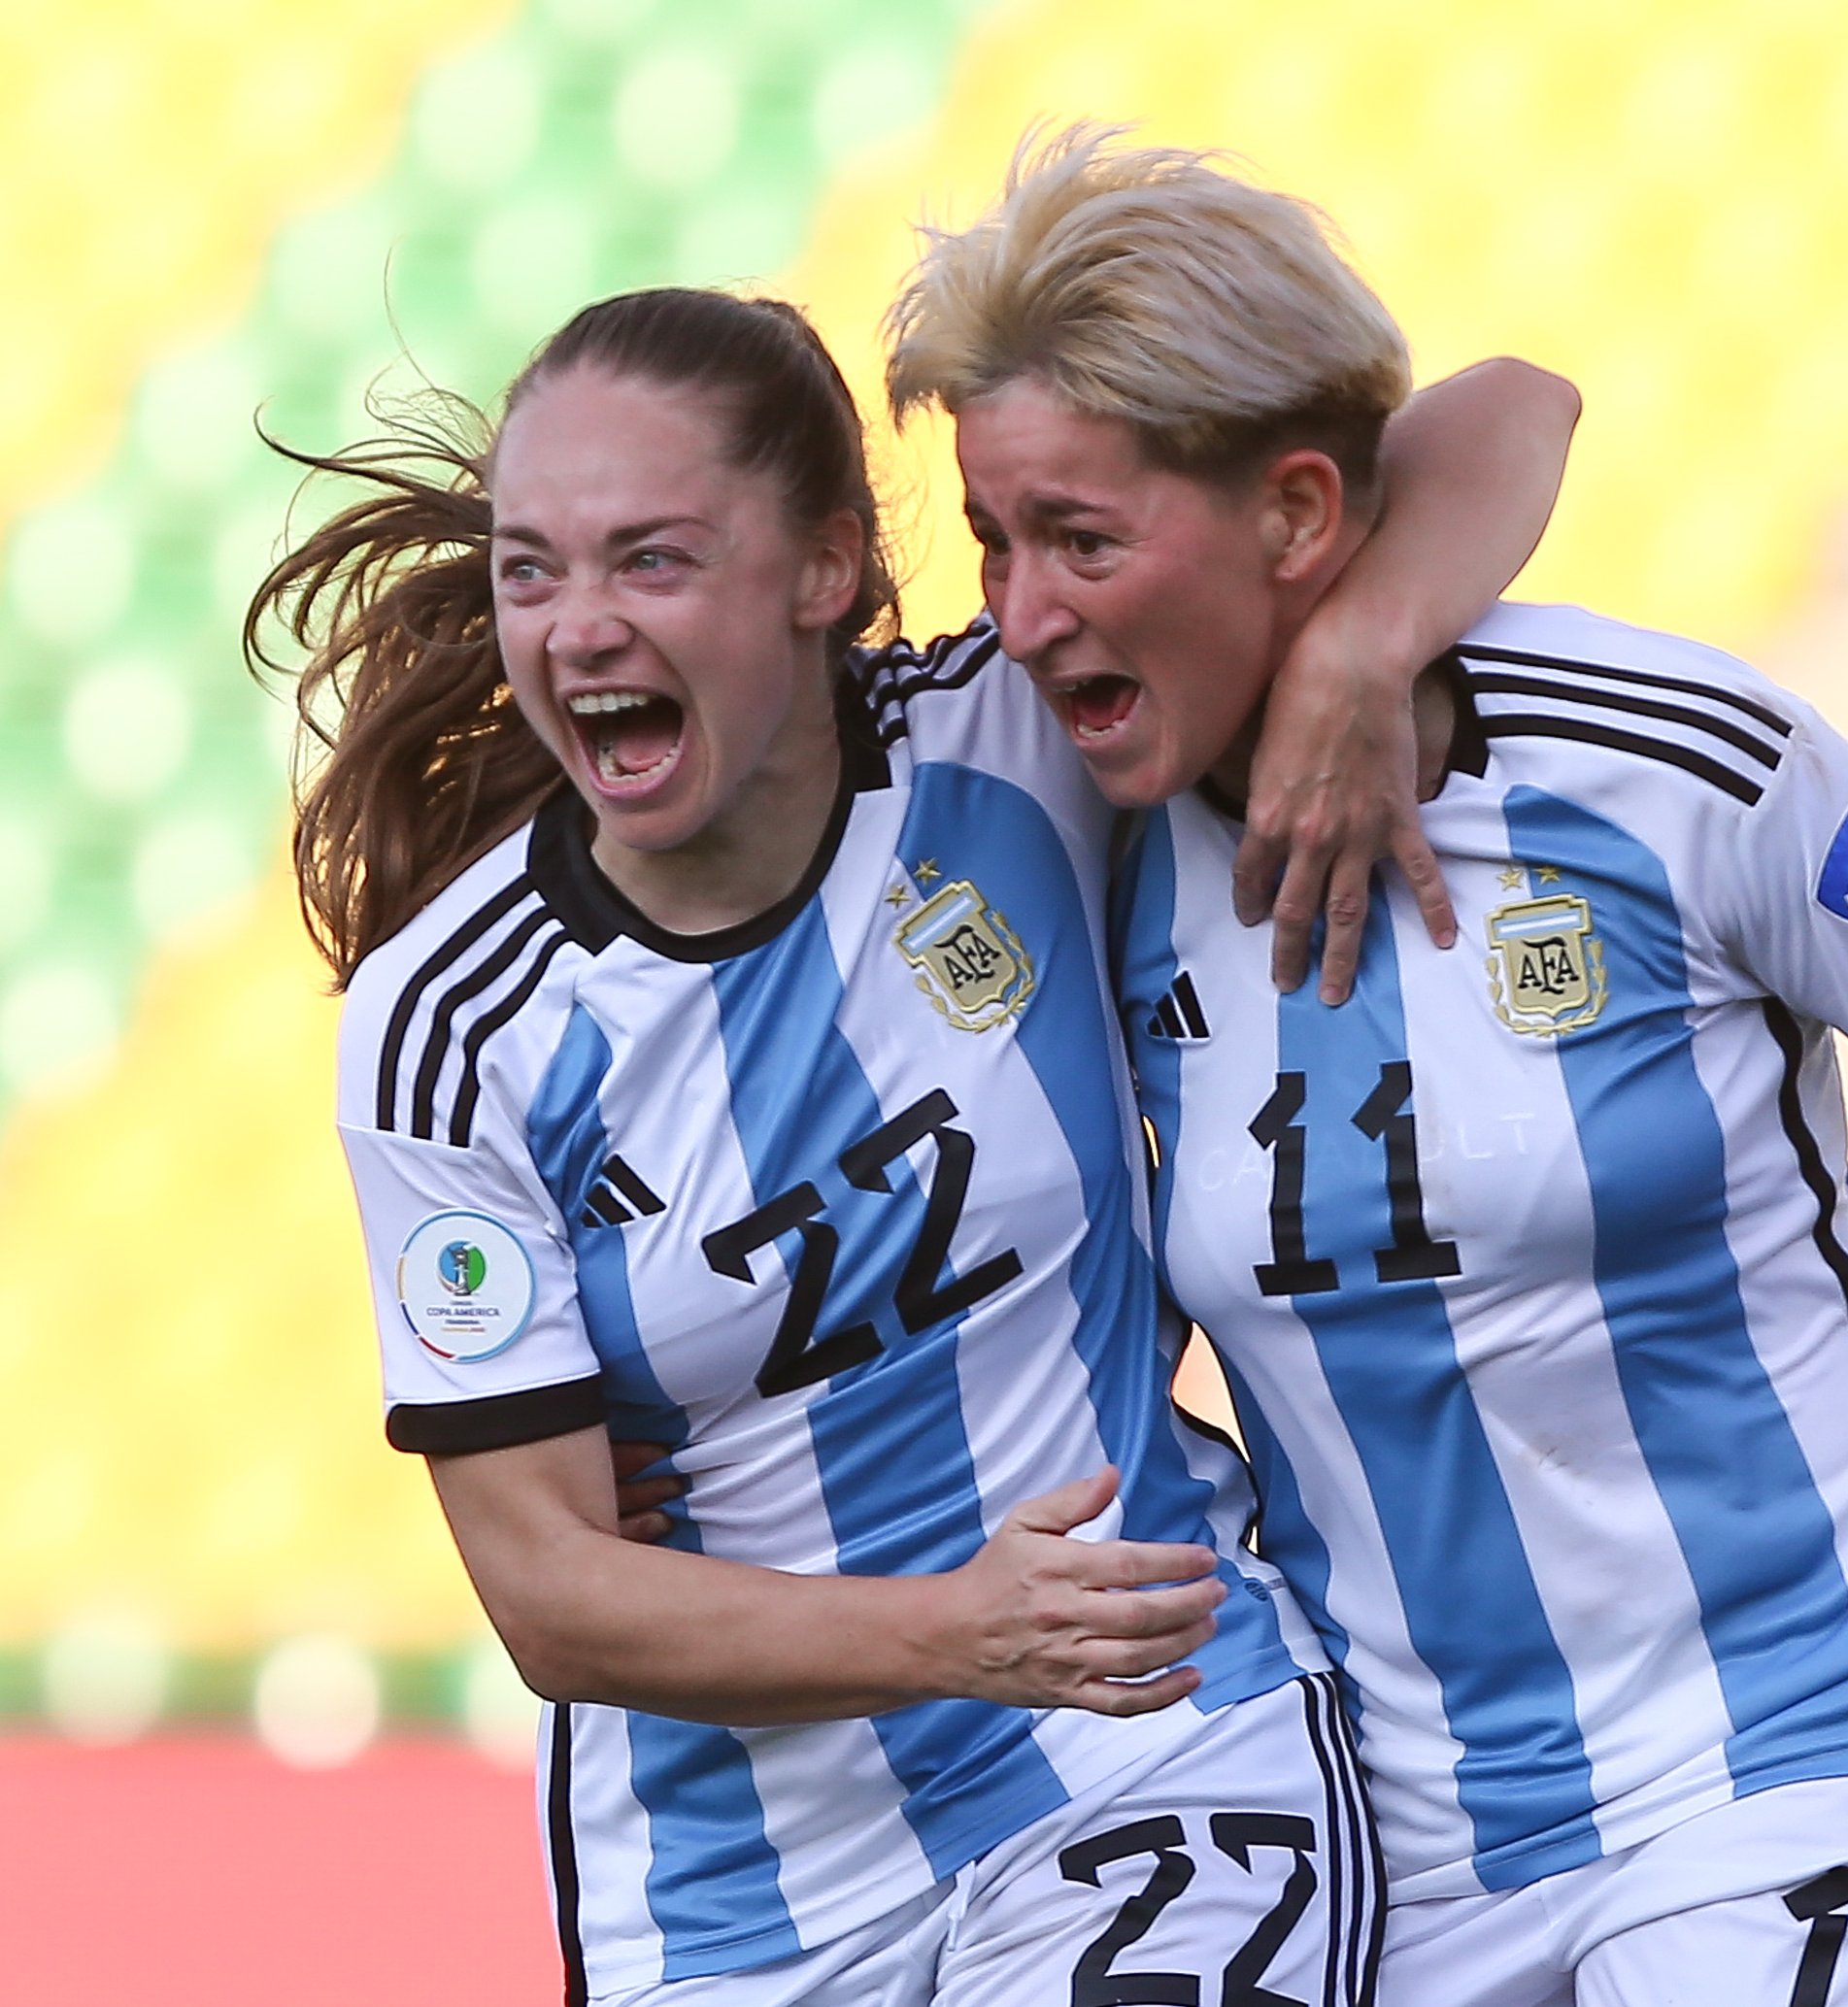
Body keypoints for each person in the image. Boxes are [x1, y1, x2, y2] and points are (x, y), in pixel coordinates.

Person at [249, 284, 1573, 2004]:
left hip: (1152, 1745)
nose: (575, 628)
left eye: (650, 560)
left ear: (820, 569)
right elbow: (552, 1597)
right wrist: (957, 1631)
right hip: (734, 1903)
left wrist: (1357, 645)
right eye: (532, 570)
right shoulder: (454, 1028)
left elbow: (1514, 407)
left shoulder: (1009, 738)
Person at [874, 125, 1848, 2007]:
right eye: (994, 538)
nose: (1019, 609)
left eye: (1080, 537)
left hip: (1806, 1752)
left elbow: (1508, 399)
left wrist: (1377, 638)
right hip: (1402, 1857)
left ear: (1301, 514)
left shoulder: (1654, 762)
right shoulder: (1055, 838)